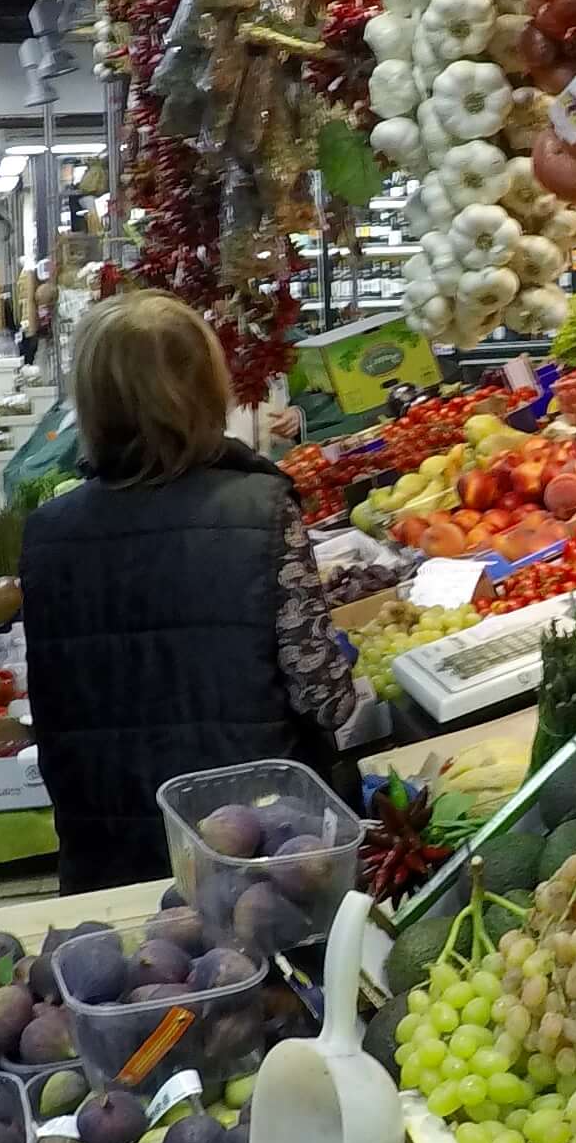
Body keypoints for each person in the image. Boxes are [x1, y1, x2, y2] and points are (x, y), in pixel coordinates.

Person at [23, 288, 377, 891]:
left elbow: (57, 708)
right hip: (256, 854)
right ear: (209, 388)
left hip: (110, 859)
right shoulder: (262, 509)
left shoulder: (48, 534)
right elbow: (327, 699)